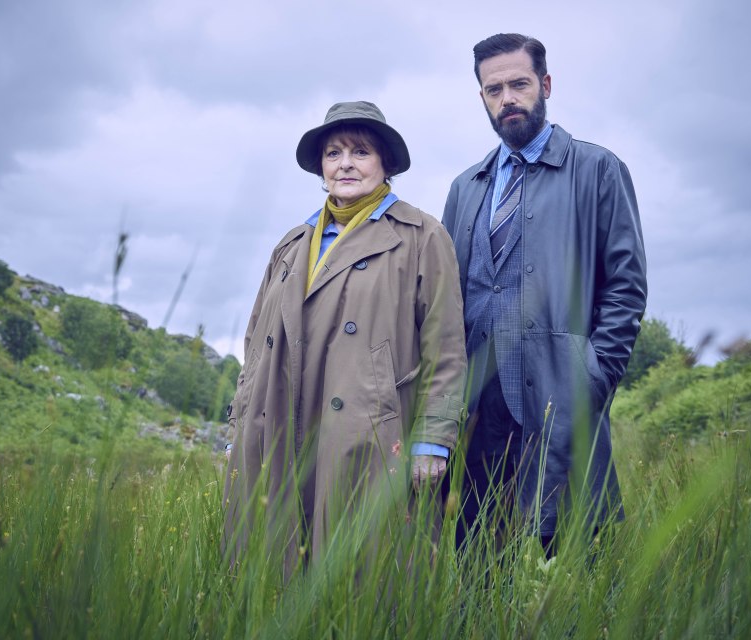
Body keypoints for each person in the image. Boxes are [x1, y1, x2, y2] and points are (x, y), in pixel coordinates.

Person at [223, 101, 467, 572]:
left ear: (386, 163)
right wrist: (239, 425)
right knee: (271, 567)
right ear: (321, 167)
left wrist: (434, 439)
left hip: (368, 429)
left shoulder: (422, 235)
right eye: (334, 153)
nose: (346, 164)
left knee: (364, 574)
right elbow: (255, 345)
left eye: (360, 151)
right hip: (276, 425)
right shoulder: (292, 244)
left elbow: (446, 347)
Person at [442, 34, 647, 556]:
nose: (507, 98)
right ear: (483, 98)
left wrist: (593, 380)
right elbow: (445, 299)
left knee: (566, 578)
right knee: (476, 573)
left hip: (562, 405)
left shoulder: (598, 169)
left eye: (519, 84)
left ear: (545, 85)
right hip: (478, 417)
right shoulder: (465, 187)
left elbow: (626, 287)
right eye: (494, 89)